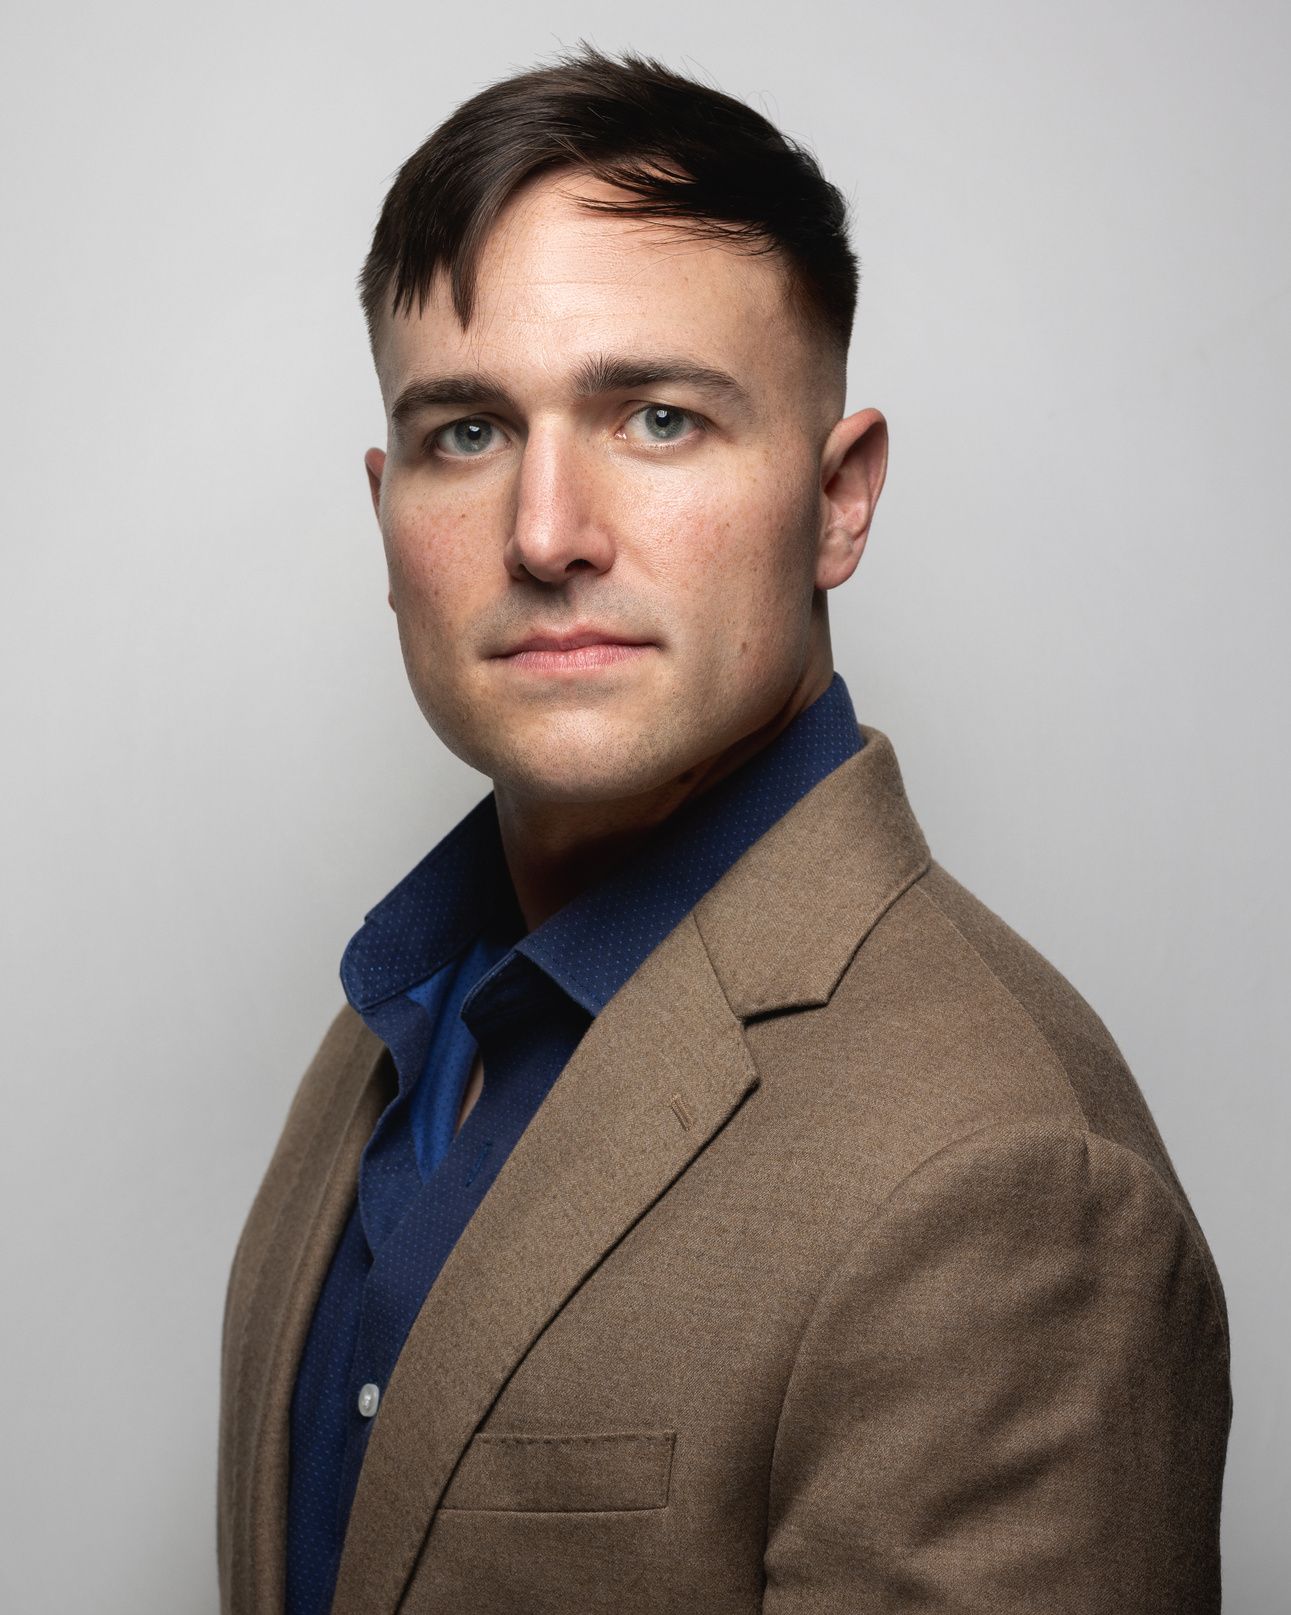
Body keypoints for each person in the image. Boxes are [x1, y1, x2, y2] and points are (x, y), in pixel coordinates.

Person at [217, 42, 1232, 1615]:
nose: (545, 534)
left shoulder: (1013, 1183)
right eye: (467, 433)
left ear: (840, 500)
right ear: (386, 512)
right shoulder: (399, 1016)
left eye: (658, 418)